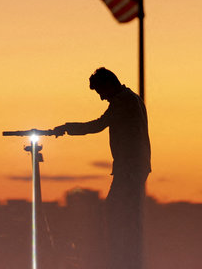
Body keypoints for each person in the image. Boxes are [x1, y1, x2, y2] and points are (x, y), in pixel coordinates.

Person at [52, 67, 151, 269]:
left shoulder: (123, 101)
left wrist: (67, 128)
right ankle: (126, 257)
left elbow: (97, 125)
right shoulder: (131, 98)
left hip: (130, 168)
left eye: (100, 92)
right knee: (125, 213)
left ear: (108, 85)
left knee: (119, 212)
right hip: (133, 166)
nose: (101, 98)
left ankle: (123, 258)